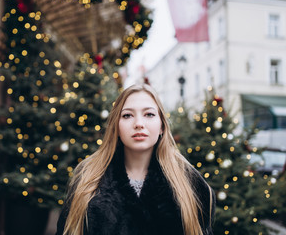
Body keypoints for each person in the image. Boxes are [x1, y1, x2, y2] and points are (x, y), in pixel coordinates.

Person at [56, 84, 215, 235]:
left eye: (149, 114)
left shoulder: (191, 184)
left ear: (161, 126)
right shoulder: (87, 178)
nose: (139, 124)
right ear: (116, 126)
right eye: (127, 115)